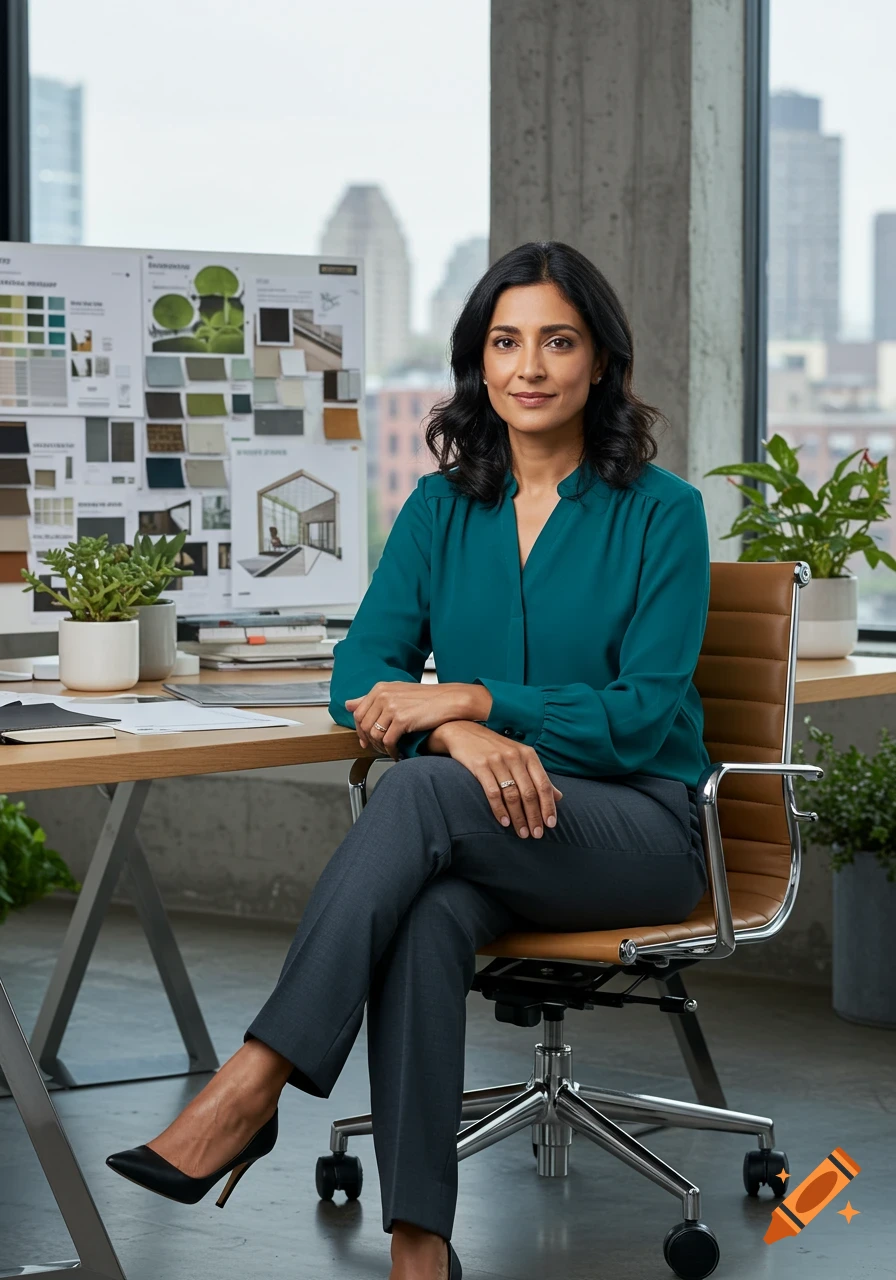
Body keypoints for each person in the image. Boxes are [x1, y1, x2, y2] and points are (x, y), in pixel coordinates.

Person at [106, 241, 712, 1280]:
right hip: (488, 813)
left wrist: (476, 698)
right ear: (478, 362)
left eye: (556, 341)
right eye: (503, 340)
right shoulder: (441, 508)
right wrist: (456, 731)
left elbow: (637, 715)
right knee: (426, 909)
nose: (527, 365)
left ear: (601, 362)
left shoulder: (663, 511)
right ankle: (418, 1242)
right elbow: (362, 669)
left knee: (423, 791)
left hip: (638, 826)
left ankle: (253, 1079)